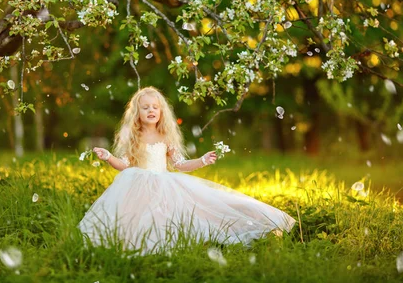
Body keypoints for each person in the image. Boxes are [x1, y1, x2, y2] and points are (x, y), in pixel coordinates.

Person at [77, 86, 296, 256]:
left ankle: (258, 222)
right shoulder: (133, 138)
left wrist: (201, 160)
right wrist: (109, 157)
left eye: (155, 107)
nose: (151, 111)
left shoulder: (165, 137)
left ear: (161, 112)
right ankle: (136, 246)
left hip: (164, 183)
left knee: (198, 209)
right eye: (145, 108)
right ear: (137, 113)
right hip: (137, 184)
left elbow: (180, 165)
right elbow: (124, 165)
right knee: (136, 219)